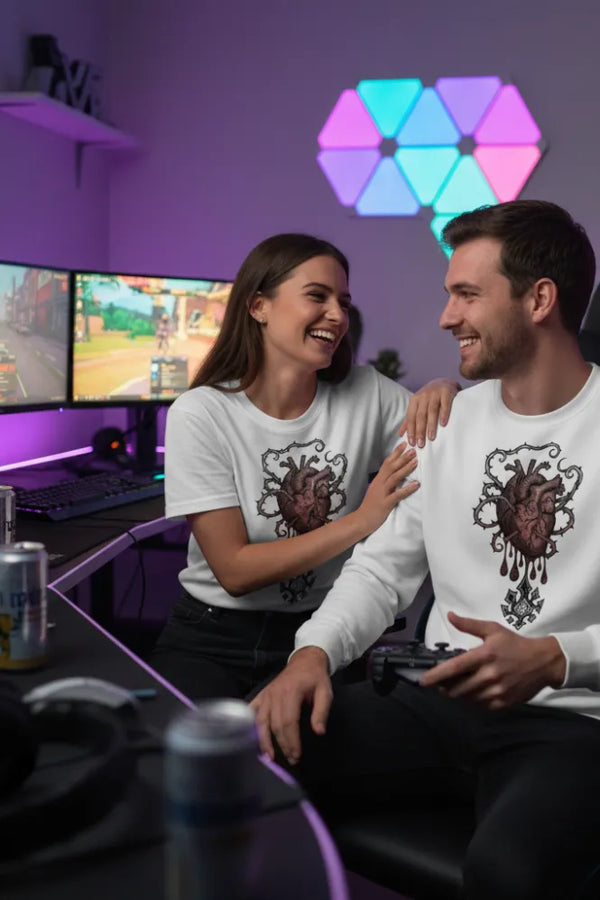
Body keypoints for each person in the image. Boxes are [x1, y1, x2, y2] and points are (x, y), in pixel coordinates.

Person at [251, 202, 600, 900]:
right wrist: (311, 654)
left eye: (466, 294)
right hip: (435, 697)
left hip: (571, 725)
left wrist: (559, 656)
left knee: (508, 873)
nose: (446, 317)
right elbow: (382, 570)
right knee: (239, 765)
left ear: (539, 299)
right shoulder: (440, 421)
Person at [149, 233, 459, 701]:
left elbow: (450, 439)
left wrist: (446, 387)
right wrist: (361, 522)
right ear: (259, 307)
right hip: (214, 639)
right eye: (317, 296)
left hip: (323, 633)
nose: (337, 315)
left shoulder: (366, 393)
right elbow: (234, 571)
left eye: (344, 302)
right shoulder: (200, 413)